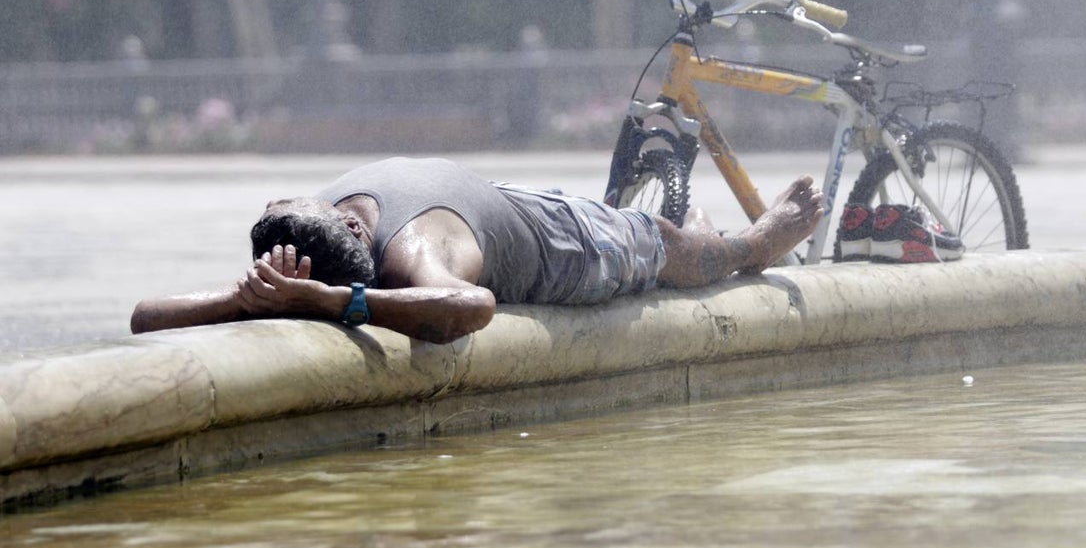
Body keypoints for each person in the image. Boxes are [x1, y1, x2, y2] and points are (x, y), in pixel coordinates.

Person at [131, 157, 824, 344]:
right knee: (671, 244)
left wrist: (312, 296)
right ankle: (729, 235)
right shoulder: (361, 238)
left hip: (532, 220)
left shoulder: (367, 242)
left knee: (666, 244)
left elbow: (471, 306)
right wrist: (261, 298)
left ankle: (729, 233)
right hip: (530, 227)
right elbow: (143, 317)